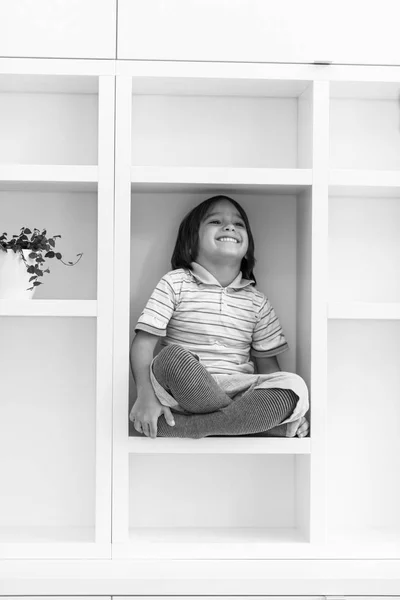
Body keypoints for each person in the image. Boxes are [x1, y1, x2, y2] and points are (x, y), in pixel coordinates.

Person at [129, 195, 310, 439]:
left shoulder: (257, 301)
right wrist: (145, 396)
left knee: (294, 386)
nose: (229, 227)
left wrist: (285, 408)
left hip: (237, 391)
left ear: (248, 248)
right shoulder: (176, 283)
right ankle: (247, 426)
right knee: (171, 358)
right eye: (215, 221)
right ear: (191, 242)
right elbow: (143, 344)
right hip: (182, 390)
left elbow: (268, 370)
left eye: (239, 224)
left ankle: (190, 427)